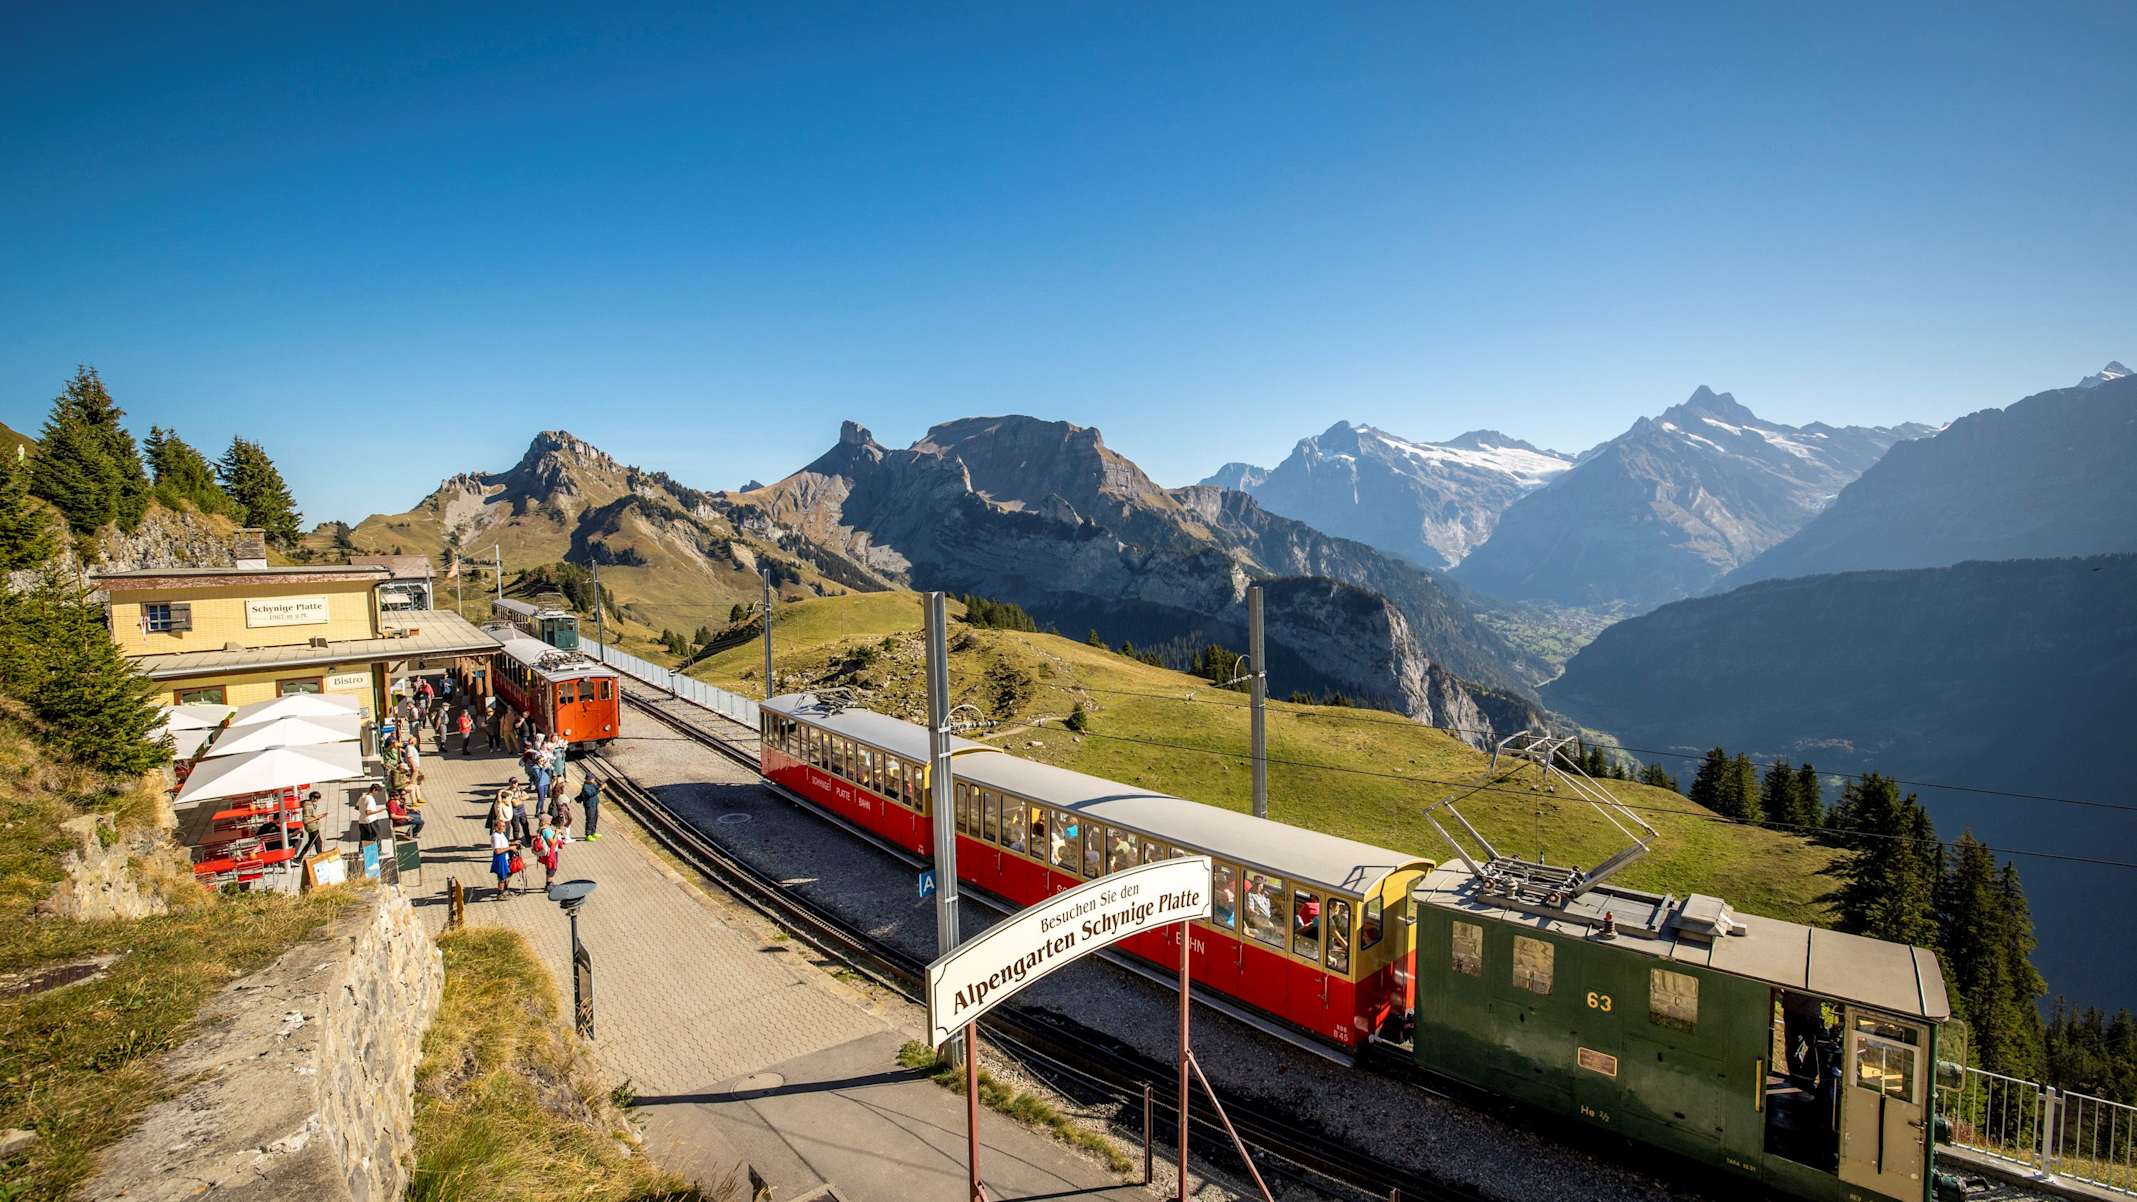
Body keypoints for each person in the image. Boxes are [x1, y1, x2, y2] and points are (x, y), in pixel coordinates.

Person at [295, 790, 325, 861]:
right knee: (318, 843)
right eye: (316, 798)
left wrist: (319, 816)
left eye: (318, 798)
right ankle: (320, 858)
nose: (317, 800)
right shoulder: (308, 806)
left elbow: (311, 816)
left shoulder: (310, 805)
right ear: (312, 798)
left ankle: (298, 859)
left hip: (312, 827)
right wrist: (318, 817)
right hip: (312, 827)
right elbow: (306, 820)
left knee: (312, 843)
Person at [534, 821, 561, 888]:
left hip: (549, 852)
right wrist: (557, 833)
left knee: (550, 867)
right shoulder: (546, 831)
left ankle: (549, 883)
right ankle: (549, 884)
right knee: (552, 868)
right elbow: (552, 843)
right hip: (551, 852)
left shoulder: (543, 829)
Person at [489, 823, 512, 899]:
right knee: (501, 876)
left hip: (504, 857)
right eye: (502, 826)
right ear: (496, 827)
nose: (505, 827)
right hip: (500, 857)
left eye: (504, 825)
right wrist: (510, 848)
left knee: (507, 874)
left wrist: (512, 843)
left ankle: (504, 890)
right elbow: (497, 851)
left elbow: (503, 844)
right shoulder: (496, 836)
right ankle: (500, 894)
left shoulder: (501, 834)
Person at [579, 774, 601, 841]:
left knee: (595, 818)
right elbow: (590, 794)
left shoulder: (592, 784)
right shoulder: (585, 786)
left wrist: (600, 786)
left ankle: (593, 832)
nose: (594, 780)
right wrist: (599, 790)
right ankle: (588, 835)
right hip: (589, 805)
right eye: (592, 779)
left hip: (594, 804)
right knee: (590, 819)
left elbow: (596, 788)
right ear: (588, 779)